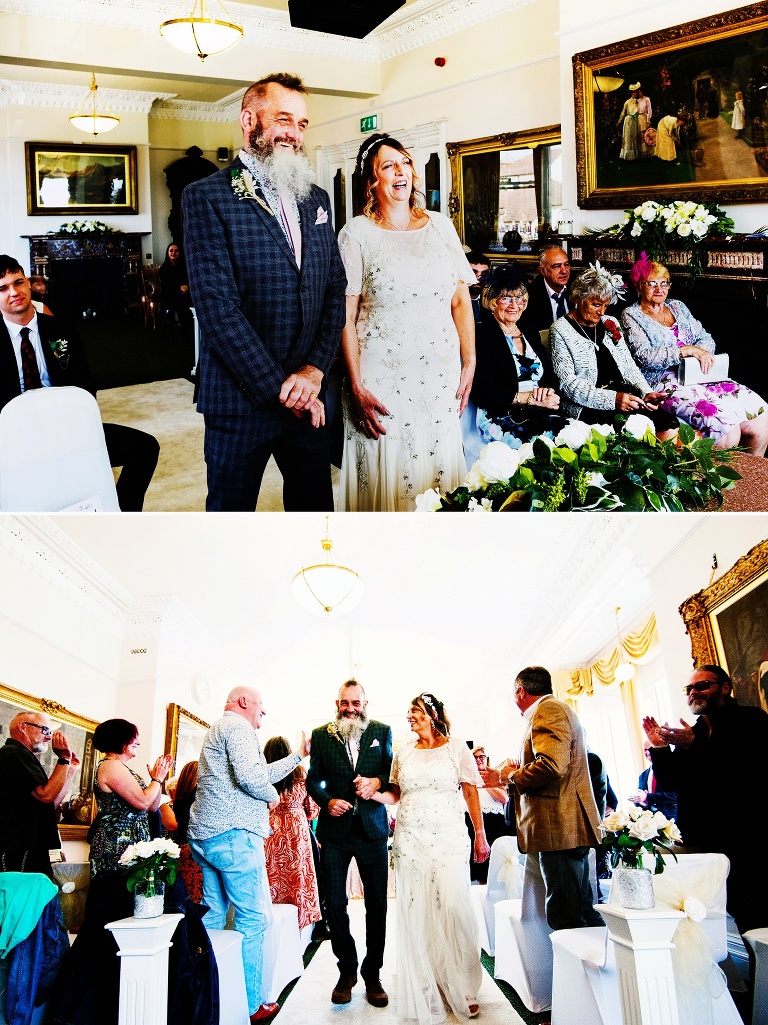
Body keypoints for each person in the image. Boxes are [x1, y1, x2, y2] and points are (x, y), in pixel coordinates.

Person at [181, 73, 347, 512]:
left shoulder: (316, 199)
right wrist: (282, 390)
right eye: (283, 119)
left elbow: (335, 288)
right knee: (231, 519)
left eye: (303, 123)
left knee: (314, 516)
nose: (294, 133)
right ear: (249, 120)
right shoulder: (206, 197)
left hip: (307, 395)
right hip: (240, 398)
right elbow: (217, 308)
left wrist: (313, 372)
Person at [337, 132, 475, 511]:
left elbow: (460, 299)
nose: (400, 171)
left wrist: (470, 361)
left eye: (405, 162)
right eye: (388, 165)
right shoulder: (355, 234)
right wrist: (356, 384)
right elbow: (345, 317)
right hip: (381, 378)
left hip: (438, 376)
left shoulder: (441, 226)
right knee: (389, 468)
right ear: (372, 181)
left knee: (439, 470)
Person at [50, 721, 216, 1025]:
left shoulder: (127, 770)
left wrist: (158, 781)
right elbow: (140, 800)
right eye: (135, 738)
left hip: (135, 845)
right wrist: (156, 779)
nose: (138, 742)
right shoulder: (111, 767)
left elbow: (152, 807)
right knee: (111, 914)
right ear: (122, 740)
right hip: (116, 850)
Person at [0, 255, 160, 511]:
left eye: (18, 282)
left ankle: (121, 517)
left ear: (29, 284)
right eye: (3, 288)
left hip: (67, 426)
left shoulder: (60, 328)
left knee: (145, 448)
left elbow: (85, 385)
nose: (14, 292)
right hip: (16, 437)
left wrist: (74, 423)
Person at [188, 687, 309, 1024]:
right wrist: (270, 796)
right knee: (253, 919)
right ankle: (252, 1003)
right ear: (244, 702)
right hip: (234, 838)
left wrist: (298, 755)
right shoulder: (238, 727)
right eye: (261, 706)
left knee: (212, 915)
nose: (263, 714)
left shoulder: (222, 728)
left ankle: (206, 994)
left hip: (207, 835)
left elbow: (257, 771)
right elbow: (251, 777)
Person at [370, 694, 489, 1023]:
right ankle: (431, 981)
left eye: (416, 711)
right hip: (411, 839)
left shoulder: (456, 748)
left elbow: (470, 791)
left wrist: (480, 834)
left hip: (449, 836)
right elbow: (395, 792)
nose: (410, 716)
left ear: (433, 715)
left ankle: (464, 984)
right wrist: (375, 794)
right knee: (420, 910)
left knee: (453, 905)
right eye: (409, 711)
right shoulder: (403, 751)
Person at [643, 665, 768, 935]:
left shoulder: (752, 720)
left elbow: (745, 774)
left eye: (702, 686)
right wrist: (660, 748)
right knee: (730, 909)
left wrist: (695, 746)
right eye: (689, 689)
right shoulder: (694, 731)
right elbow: (672, 782)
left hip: (747, 837)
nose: (693, 692)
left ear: (725, 687)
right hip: (705, 841)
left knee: (757, 911)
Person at [480, 666, 604, 931]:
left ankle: (573, 971)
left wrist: (508, 777)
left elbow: (551, 765)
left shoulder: (548, 711)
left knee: (565, 916)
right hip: (564, 827)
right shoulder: (558, 709)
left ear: (520, 691)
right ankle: (592, 970)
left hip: (559, 827)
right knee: (581, 909)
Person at [621, 255, 768, 454]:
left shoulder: (677, 307)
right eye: (652, 283)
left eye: (664, 283)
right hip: (664, 380)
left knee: (760, 416)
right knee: (726, 430)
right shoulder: (631, 315)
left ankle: (753, 483)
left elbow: (705, 338)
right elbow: (644, 356)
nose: (659, 289)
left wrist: (701, 353)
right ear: (639, 286)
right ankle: (720, 483)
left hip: (699, 373)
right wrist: (686, 351)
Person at [306, 680, 393, 1008]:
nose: (350, 708)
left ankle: (373, 974)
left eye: (356, 703)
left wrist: (377, 782)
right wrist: (327, 801)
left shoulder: (382, 732)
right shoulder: (320, 735)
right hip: (335, 834)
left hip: (372, 830)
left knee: (377, 906)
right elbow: (313, 779)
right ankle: (347, 971)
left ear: (365, 703)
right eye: (345, 703)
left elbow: (390, 773)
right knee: (335, 905)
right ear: (337, 702)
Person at [549, 263, 678, 434]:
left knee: (669, 423)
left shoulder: (610, 323)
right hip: (587, 405)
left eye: (605, 306)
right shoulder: (560, 330)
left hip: (623, 397)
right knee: (637, 431)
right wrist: (613, 400)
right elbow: (568, 385)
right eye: (596, 305)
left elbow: (628, 366)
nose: (601, 312)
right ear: (577, 299)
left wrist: (646, 392)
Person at [470, 265, 566, 449]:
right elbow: (483, 391)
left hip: (537, 412)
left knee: (574, 432)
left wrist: (548, 393)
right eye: (506, 299)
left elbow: (549, 375)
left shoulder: (528, 329)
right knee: (552, 442)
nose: (514, 305)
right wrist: (528, 398)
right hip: (501, 417)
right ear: (492, 301)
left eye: (520, 299)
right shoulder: (483, 334)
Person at [0, 711, 80, 877]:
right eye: (45, 730)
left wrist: (70, 769)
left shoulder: (23, 755)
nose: (49, 737)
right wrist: (63, 758)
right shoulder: (13, 753)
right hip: (18, 845)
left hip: (30, 845)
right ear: (22, 727)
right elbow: (46, 795)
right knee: (21, 900)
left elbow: (50, 804)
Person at [263, 735, 321, 931]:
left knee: (272, 874)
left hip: (269, 829)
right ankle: (297, 922)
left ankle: (273, 922)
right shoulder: (301, 775)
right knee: (297, 876)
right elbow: (312, 809)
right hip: (296, 830)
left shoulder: (263, 774)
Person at [466, 746, 511, 885]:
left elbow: (504, 798)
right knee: (477, 868)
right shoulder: (467, 779)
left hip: (494, 823)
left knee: (493, 866)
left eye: (482, 757)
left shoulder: (494, 777)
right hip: (472, 824)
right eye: (475, 757)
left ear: (487, 759)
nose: (479, 760)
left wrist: (485, 783)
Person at [520, 244, 571, 333]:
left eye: (566, 264)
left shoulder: (578, 289)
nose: (564, 271)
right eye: (556, 266)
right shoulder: (529, 296)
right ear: (542, 271)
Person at [628, 745, 678, 822]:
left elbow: (676, 796)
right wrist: (640, 801)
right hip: (651, 822)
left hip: (672, 820)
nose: (648, 752)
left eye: (651, 749)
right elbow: (642, 799)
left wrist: (648, 797)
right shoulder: (643, 775)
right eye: (645, 750)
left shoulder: (673, 770)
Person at [158, 241, 192, 335]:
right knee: (180, 302)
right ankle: (183, 331)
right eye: (171, 251)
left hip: (184, 293)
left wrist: (187, 287)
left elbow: (188, 280)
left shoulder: (184, 267)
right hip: (170, 294)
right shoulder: (163, 269)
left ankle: (188, 330)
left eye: (176, 251)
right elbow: (167, 286)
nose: (173, 253)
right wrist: (180, 289)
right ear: (167, 253)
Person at [466, 251, 491, 323]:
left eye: (484, 273)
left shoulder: (491, 302)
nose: (479, 278)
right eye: (473, 272)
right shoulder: (450, 301)